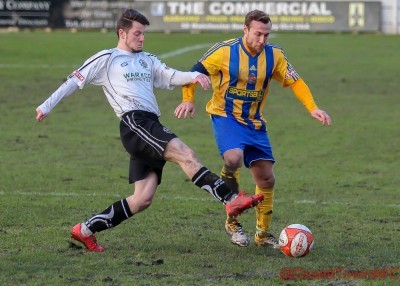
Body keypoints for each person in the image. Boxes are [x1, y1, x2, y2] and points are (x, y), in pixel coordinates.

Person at [35, 9, 264, 252]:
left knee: (142, 198)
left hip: (149, 124)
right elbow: (74, 81)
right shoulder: (107, 58)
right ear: (122, 33)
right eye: (137, 33)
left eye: (144, 34)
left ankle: (85, 230)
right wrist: (46, 106)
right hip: (134, 123)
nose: (142, 38)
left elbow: (170, 76)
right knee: (186, 154)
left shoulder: (148, 59)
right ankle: (230, 199)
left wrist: (195, 75)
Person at [175, 10, 331, 248]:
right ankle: (232, 221)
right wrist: (188, 99)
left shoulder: (275, 55)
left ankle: (262, 234)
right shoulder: (224, 51)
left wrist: (312, 108)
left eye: (266, 35)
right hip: (225, 116)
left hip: (255, 123)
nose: (262, 40)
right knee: (234, 157)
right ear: (245, 29)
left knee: (266, 178)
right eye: (258, 34)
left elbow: (295, 80)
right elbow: (193, 73)